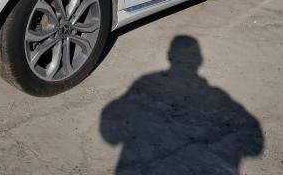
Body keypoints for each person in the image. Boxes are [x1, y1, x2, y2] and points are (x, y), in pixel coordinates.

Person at [100, 35, 264, 174]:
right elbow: (254, 142)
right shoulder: (217, 97)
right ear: (199, 60)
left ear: (169, 56)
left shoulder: (146, 84)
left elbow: (110, 133)